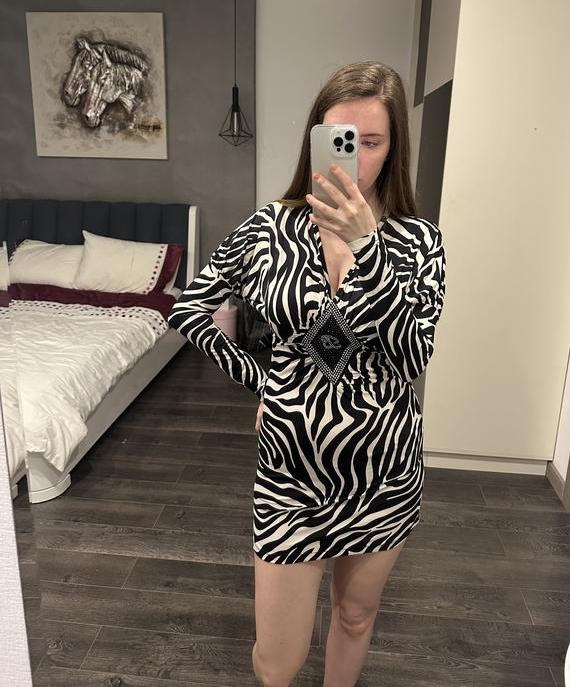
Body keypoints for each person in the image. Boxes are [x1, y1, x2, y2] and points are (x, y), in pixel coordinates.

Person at [167, 61, 446, 687]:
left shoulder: (419, 242)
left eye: (371, 142)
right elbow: (190, 308)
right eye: (339, 138)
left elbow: (411, 358)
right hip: (290, 471)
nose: (354, 158)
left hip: (383, 468)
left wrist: (369, 249)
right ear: (315, 140)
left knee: (355, 615)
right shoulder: (270, 228)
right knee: (278, 658)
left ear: (394, 147)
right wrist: (263, 381)